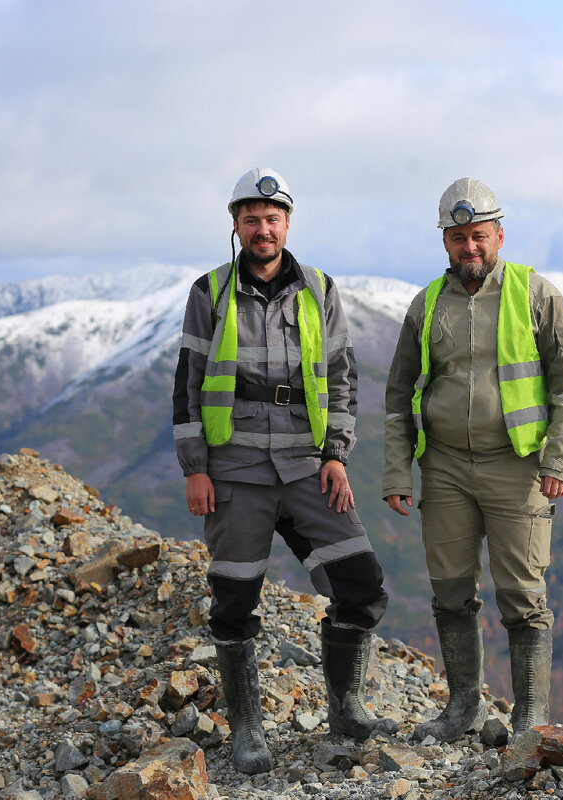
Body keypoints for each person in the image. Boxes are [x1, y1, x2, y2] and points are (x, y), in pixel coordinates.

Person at [172, 167, 397, 773]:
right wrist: (196, 468)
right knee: (233, 604)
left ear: (287, 224)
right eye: (252, 220)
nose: (263, 229)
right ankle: (248, 732)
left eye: (272, 219)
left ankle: (345, 710)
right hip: (235, 471)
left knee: (362, 589)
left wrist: (336, 456)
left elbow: (343, 378)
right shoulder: (210, 291)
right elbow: (189, 383)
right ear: (237, 226)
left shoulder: (319, 289)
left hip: (307, 467)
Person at [383, 177, 563, 742]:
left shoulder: (535, 295)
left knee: (523, 594)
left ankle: (530, 715)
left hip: (517, 465)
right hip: (444, 466)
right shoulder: (425, 305)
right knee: (450, 590)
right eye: (457, 238)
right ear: (443, 241)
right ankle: (463, 708)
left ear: (499, 234)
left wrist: (558, 463)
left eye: (478, 236)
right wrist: (398, 472)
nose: (469, 248)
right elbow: (398, 397)